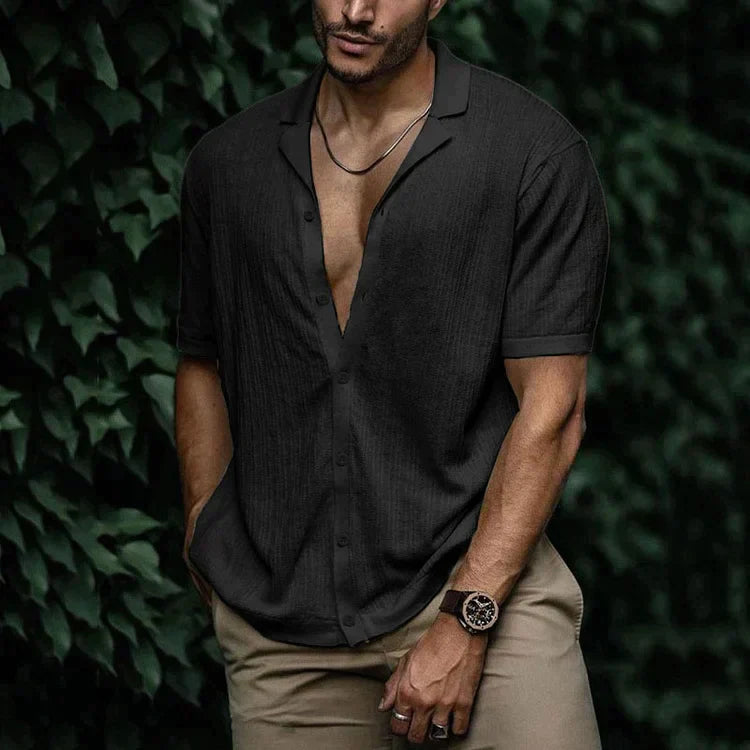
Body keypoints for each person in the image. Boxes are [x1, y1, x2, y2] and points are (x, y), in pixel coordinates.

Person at [175, 1, 609, 747]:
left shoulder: (531, 152)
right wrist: (201, 529)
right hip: (284, 632)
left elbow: (554, 407)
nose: (356, 11)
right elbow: (202, 362)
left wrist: (468, 618)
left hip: (479, 582)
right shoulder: (227, 164)